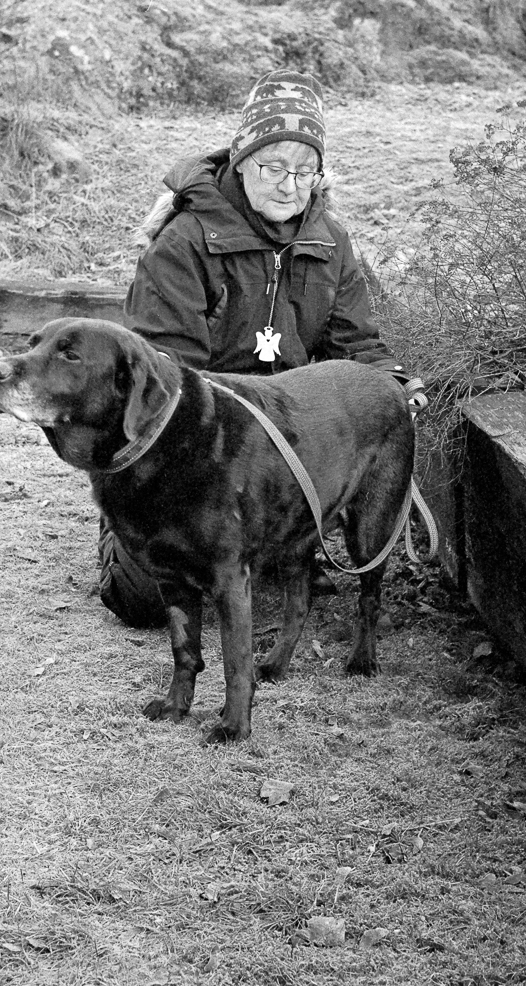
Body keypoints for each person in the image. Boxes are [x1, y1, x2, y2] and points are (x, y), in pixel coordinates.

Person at [99, 68, 426, 629]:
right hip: (195, 440)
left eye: (305, 170)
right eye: (274, 167)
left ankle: (270, 533)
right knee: (147, 602)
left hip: (282, 439)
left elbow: (356, 343)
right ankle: (120, 531)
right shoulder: (183, 242)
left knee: (267, 555)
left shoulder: (331, 240)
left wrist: (390, 383)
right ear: (243, 158)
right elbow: (161, 371)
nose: (289, 185)